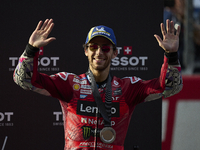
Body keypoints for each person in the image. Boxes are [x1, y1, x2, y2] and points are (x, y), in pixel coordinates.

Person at [13, 18, 183, 150]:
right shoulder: (70, 84)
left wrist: (172, 55)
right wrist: (31, 50)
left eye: (106, 48)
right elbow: (25, 80)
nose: (99, 52)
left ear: (115, 53)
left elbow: (169, 87)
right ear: (86, 51)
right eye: (93, 47)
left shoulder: (127, 88)